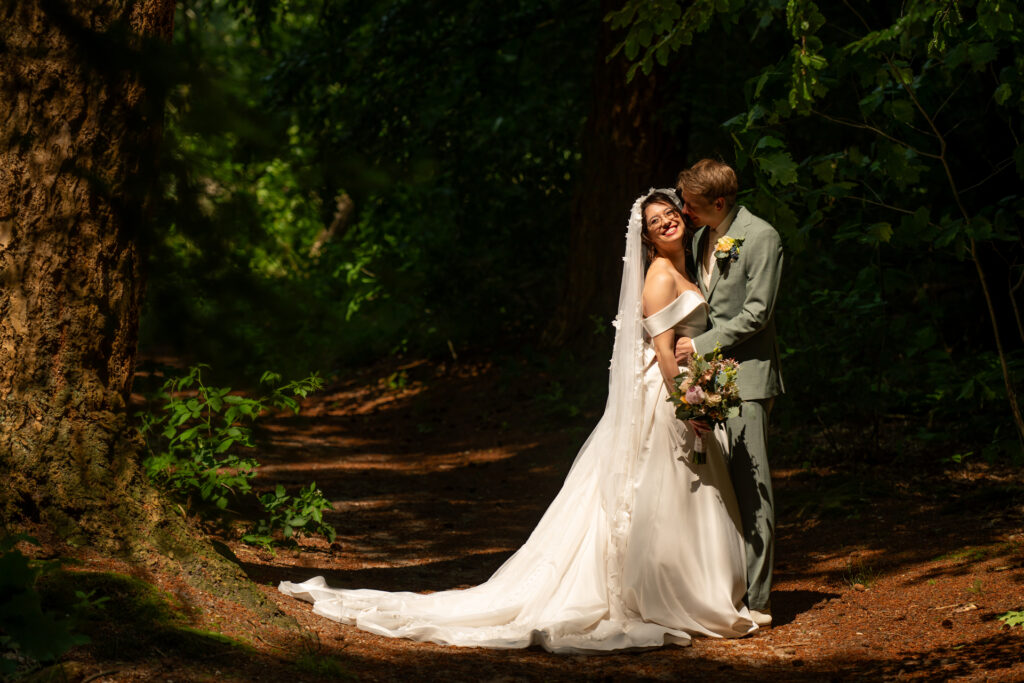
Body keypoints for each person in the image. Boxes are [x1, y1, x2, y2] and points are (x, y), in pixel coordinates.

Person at [278, 189, 756, 653]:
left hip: (683, 390)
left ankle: (693, 587)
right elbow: (662, 351)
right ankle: (660, 592)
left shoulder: (684, 266)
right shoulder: (659, 275)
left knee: (683, 490)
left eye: (670, 213)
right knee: (659, 489)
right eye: (655, 221)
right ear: (647, 236)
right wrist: (686, 403)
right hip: (667, 394)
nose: (666, 222)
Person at [674, 159, 784, 627]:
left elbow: (758, 312)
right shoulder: (702, 237)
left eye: (692, 204)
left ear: (719, 202)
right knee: (714, 487)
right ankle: (722, 589)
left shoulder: (762, 237)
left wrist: (698, 346)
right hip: (707, 382)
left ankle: (759, 601)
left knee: (751, 487)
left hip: (748, 380)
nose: (684, 210)